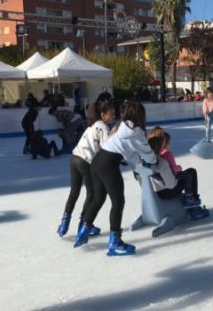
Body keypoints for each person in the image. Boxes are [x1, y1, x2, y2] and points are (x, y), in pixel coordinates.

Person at [74, 101, 157, 256]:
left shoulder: (123, 127)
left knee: (98, 198)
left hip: (97, 161)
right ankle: (115, 242)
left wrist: (138, 165)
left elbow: (130, 154)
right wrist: (153, 162)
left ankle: (83, 230)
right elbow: (147, 153)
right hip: (108, 165)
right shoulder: (137, 132)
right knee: (118, 202)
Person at [57, 101, 116, 238]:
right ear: (103, 114)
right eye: (111, 114)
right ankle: (84, 224)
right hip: (85, 161)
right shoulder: (103, 127)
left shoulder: (92, 125)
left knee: (74, 191)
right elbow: (106, 149)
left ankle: (64, 223)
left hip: (74, 158)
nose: (113, 116)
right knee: (92, 194)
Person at [147, 127, 208, 220]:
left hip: (158, 191)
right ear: (161, 143)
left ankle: (191, 199)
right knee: (191, 173)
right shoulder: (162, 162)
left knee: (188, 174)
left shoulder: (150, 160)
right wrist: (177, 175)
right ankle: (192, 203)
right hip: (168, 191)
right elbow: (171, 184)